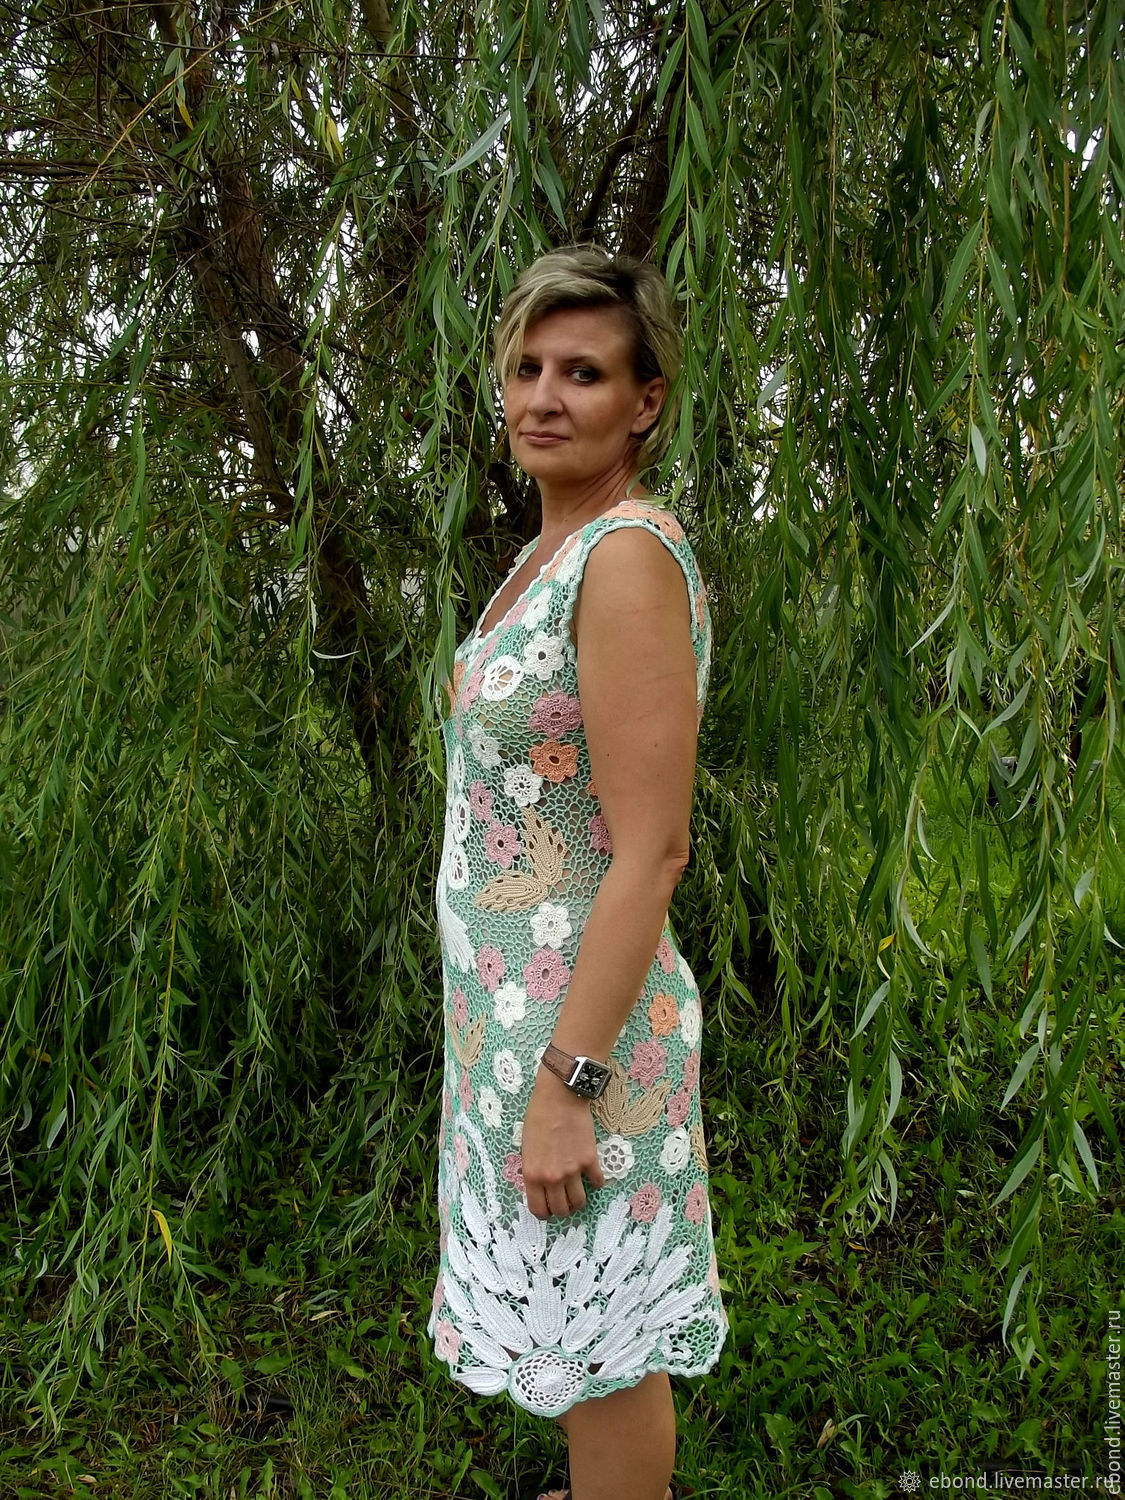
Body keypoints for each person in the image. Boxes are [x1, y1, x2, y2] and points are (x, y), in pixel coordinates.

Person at [429, 246, 727, 1500]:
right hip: (515, 1025)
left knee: (603, 1343)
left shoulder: (624, 559)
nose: (543, 396)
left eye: (585, 373)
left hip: (578, 1036)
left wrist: (568, 1084)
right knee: (566, 1310)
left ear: (645, 402)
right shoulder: (549, 554)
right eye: (528, 367)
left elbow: (654, 847)